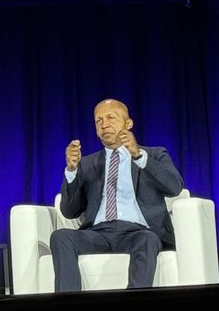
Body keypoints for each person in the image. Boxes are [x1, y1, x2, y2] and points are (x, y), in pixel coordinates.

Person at [51, 97, 184, 292]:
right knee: (60, 237)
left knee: (147, 240)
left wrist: (138, 155)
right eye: (98, 121)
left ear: (128, 123)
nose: (104, 125)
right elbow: (70, 211)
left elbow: (175, 187)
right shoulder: (87, 163)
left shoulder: (154, 154)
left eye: (111, 118)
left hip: (138, 232)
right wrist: (71, 171)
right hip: (98, 234)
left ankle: (132, 308)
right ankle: (69, 307)